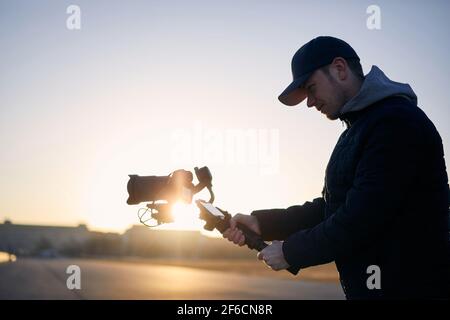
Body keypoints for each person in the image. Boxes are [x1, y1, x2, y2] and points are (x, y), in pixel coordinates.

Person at [223, 36, 450, 299]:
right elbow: (331, 208)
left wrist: (290, 252)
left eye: (311, 88)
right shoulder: (357, 130)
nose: (310, 102)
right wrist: (262, 222)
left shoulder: (396, 123)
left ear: (340, 69)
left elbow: (362, 218)